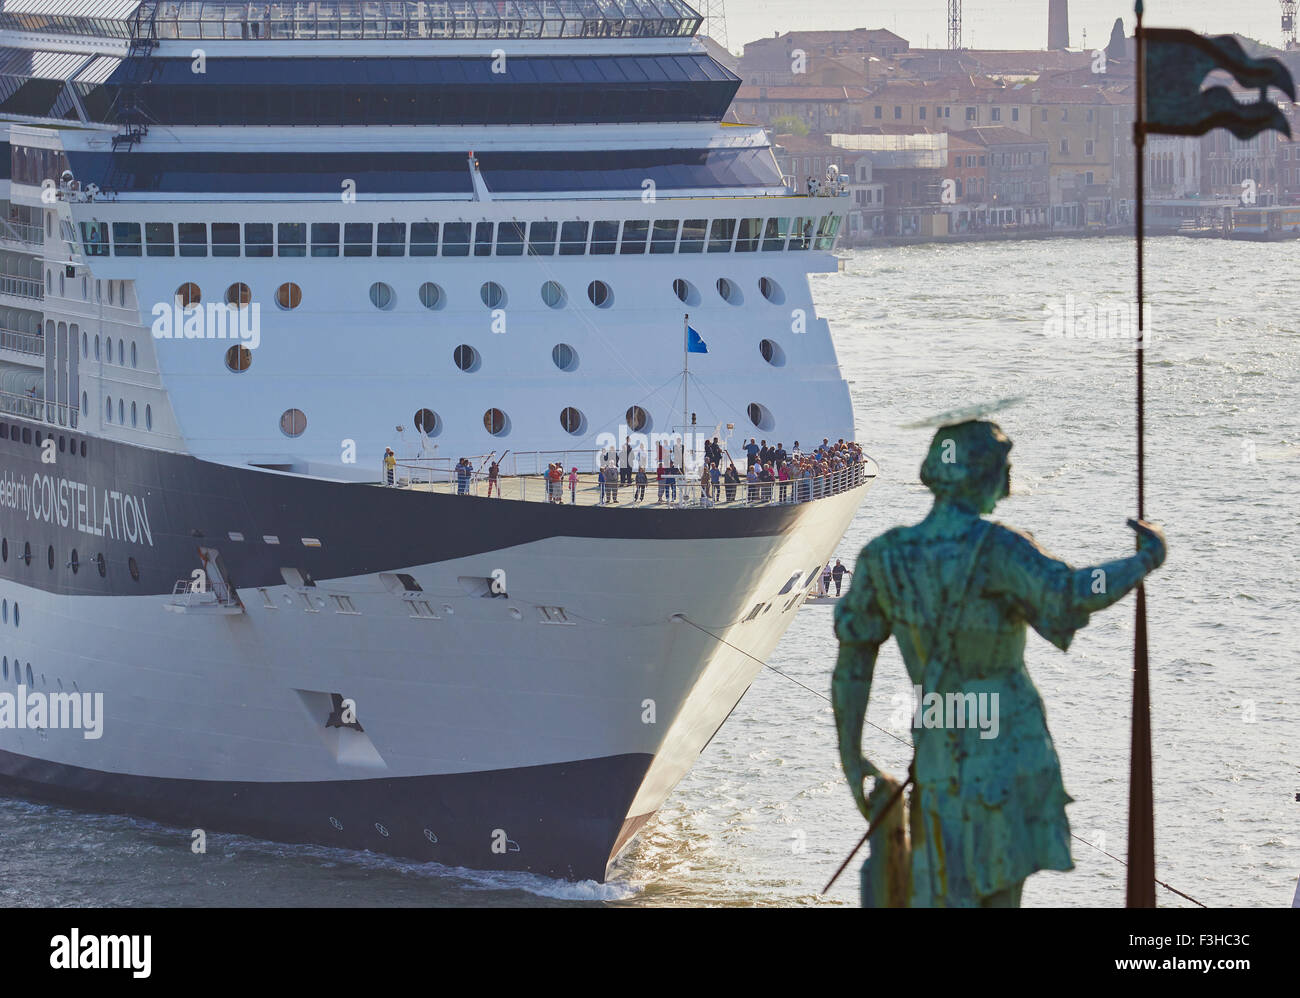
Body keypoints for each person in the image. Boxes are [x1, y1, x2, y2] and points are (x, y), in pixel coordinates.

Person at [832, 419, 1167, 907]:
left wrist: (851, 756)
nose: (1009, 486)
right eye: (1003, 471)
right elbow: (1074, 594)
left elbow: (852, 667)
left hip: (939, 744)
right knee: (993, 892)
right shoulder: (1000, 549)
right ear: (981, 475)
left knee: (940, 888)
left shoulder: (884, 556)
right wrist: (1144, 560)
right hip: (1007, 747)